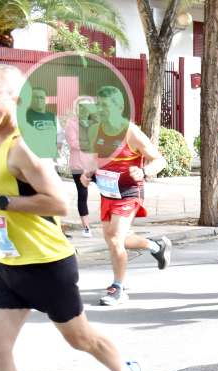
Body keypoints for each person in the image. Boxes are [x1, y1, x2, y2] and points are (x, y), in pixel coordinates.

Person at [0, 65, 145, 371]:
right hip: (10, 264)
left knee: (81, 339)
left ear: (17, 99)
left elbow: (59, 204)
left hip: (47, 265)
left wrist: (0, 203)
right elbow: (4, 205)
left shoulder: (25, 146)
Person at [80, 85, 171, 307]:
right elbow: (96, 157)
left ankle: (118, 288)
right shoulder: (96, 130)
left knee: (115, 239)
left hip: (129, 191)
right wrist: (88, 171)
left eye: (106, 105)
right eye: (99, 105)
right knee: (115, 238)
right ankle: (156, 246)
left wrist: (144, 171)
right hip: (108, 193)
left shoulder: (130, 132)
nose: (101, 110)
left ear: (119, 107)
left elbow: (159, 160)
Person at [61, 97, 97, 239]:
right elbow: (73, 143)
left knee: (107, 191)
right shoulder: (72, 123)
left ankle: (111, 221)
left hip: (95, 165)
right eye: (81, 107)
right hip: (79, 166)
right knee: (83, 195)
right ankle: (86, 228)